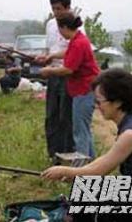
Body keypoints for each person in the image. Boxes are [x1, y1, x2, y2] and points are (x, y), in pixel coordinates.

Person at [41, 68, 132, 221]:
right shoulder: (131, 122)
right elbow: (106, 160)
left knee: (88, 199)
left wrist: (65, 170)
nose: (97, 106)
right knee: (84, 189)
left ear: (118, 102)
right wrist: (75, 173)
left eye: (100, 101)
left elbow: (99, 171)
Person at [40, 12, 100, 157]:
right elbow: (67, 53)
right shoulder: (77, 39)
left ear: (64, 28)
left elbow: (68, 69)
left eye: (59, 30)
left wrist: (49, 70)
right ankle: (92, 167)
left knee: (79, 132)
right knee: (84, 131)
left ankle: (81, 172)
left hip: (84, 91)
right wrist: (52, 56)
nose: (60, 35)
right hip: (83, 91)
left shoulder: (79, 43)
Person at [35, 0, 74, 161]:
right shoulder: (50, 25)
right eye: (53, 9)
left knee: (66, 116)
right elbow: (49, 47)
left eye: (59, 9)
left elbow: (76, 50)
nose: (56, 13)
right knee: (52, 115)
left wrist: (52, 59)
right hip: (52, 74)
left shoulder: (76, 24)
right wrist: (45, 58)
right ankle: (53, 155)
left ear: (67, 8)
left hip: (67, 75)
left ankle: (67, 155)